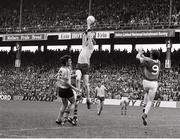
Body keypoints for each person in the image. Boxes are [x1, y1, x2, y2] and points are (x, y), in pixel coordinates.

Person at [136, 49, 160, 126]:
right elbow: (148, 59)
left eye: (151, 53)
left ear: (152, 55)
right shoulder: (158, 62)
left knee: (146, 92)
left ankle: (144, 107)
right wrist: (143, 55)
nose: (150, 54)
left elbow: (137, 57)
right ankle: (145, 113)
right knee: (150, 101)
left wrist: (140, 52)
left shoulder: (148, 61)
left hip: (146, 82)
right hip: (154, 83)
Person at [54, 55, 79, 126]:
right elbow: (67, 83)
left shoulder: (61, 68)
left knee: (64, 104)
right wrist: (75, 88)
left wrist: (72, 76)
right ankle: (69, 116)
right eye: (69, 61)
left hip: (61, 89)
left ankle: (58, 119)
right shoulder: (67, 70)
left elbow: (61, 77)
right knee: (73, 102)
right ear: (66, 62)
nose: (71, 62)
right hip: (66, 89)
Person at [76, 29, 96, 109]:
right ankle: (78, 94)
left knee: (86, 85)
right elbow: (83, 37)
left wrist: (90, 35)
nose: (87, 41)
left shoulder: (91, 48)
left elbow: (90, 40)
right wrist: (86, 32)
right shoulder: (84, 46)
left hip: (85, 66)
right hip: (79, 65)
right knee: (77, 78)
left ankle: (88, 99)